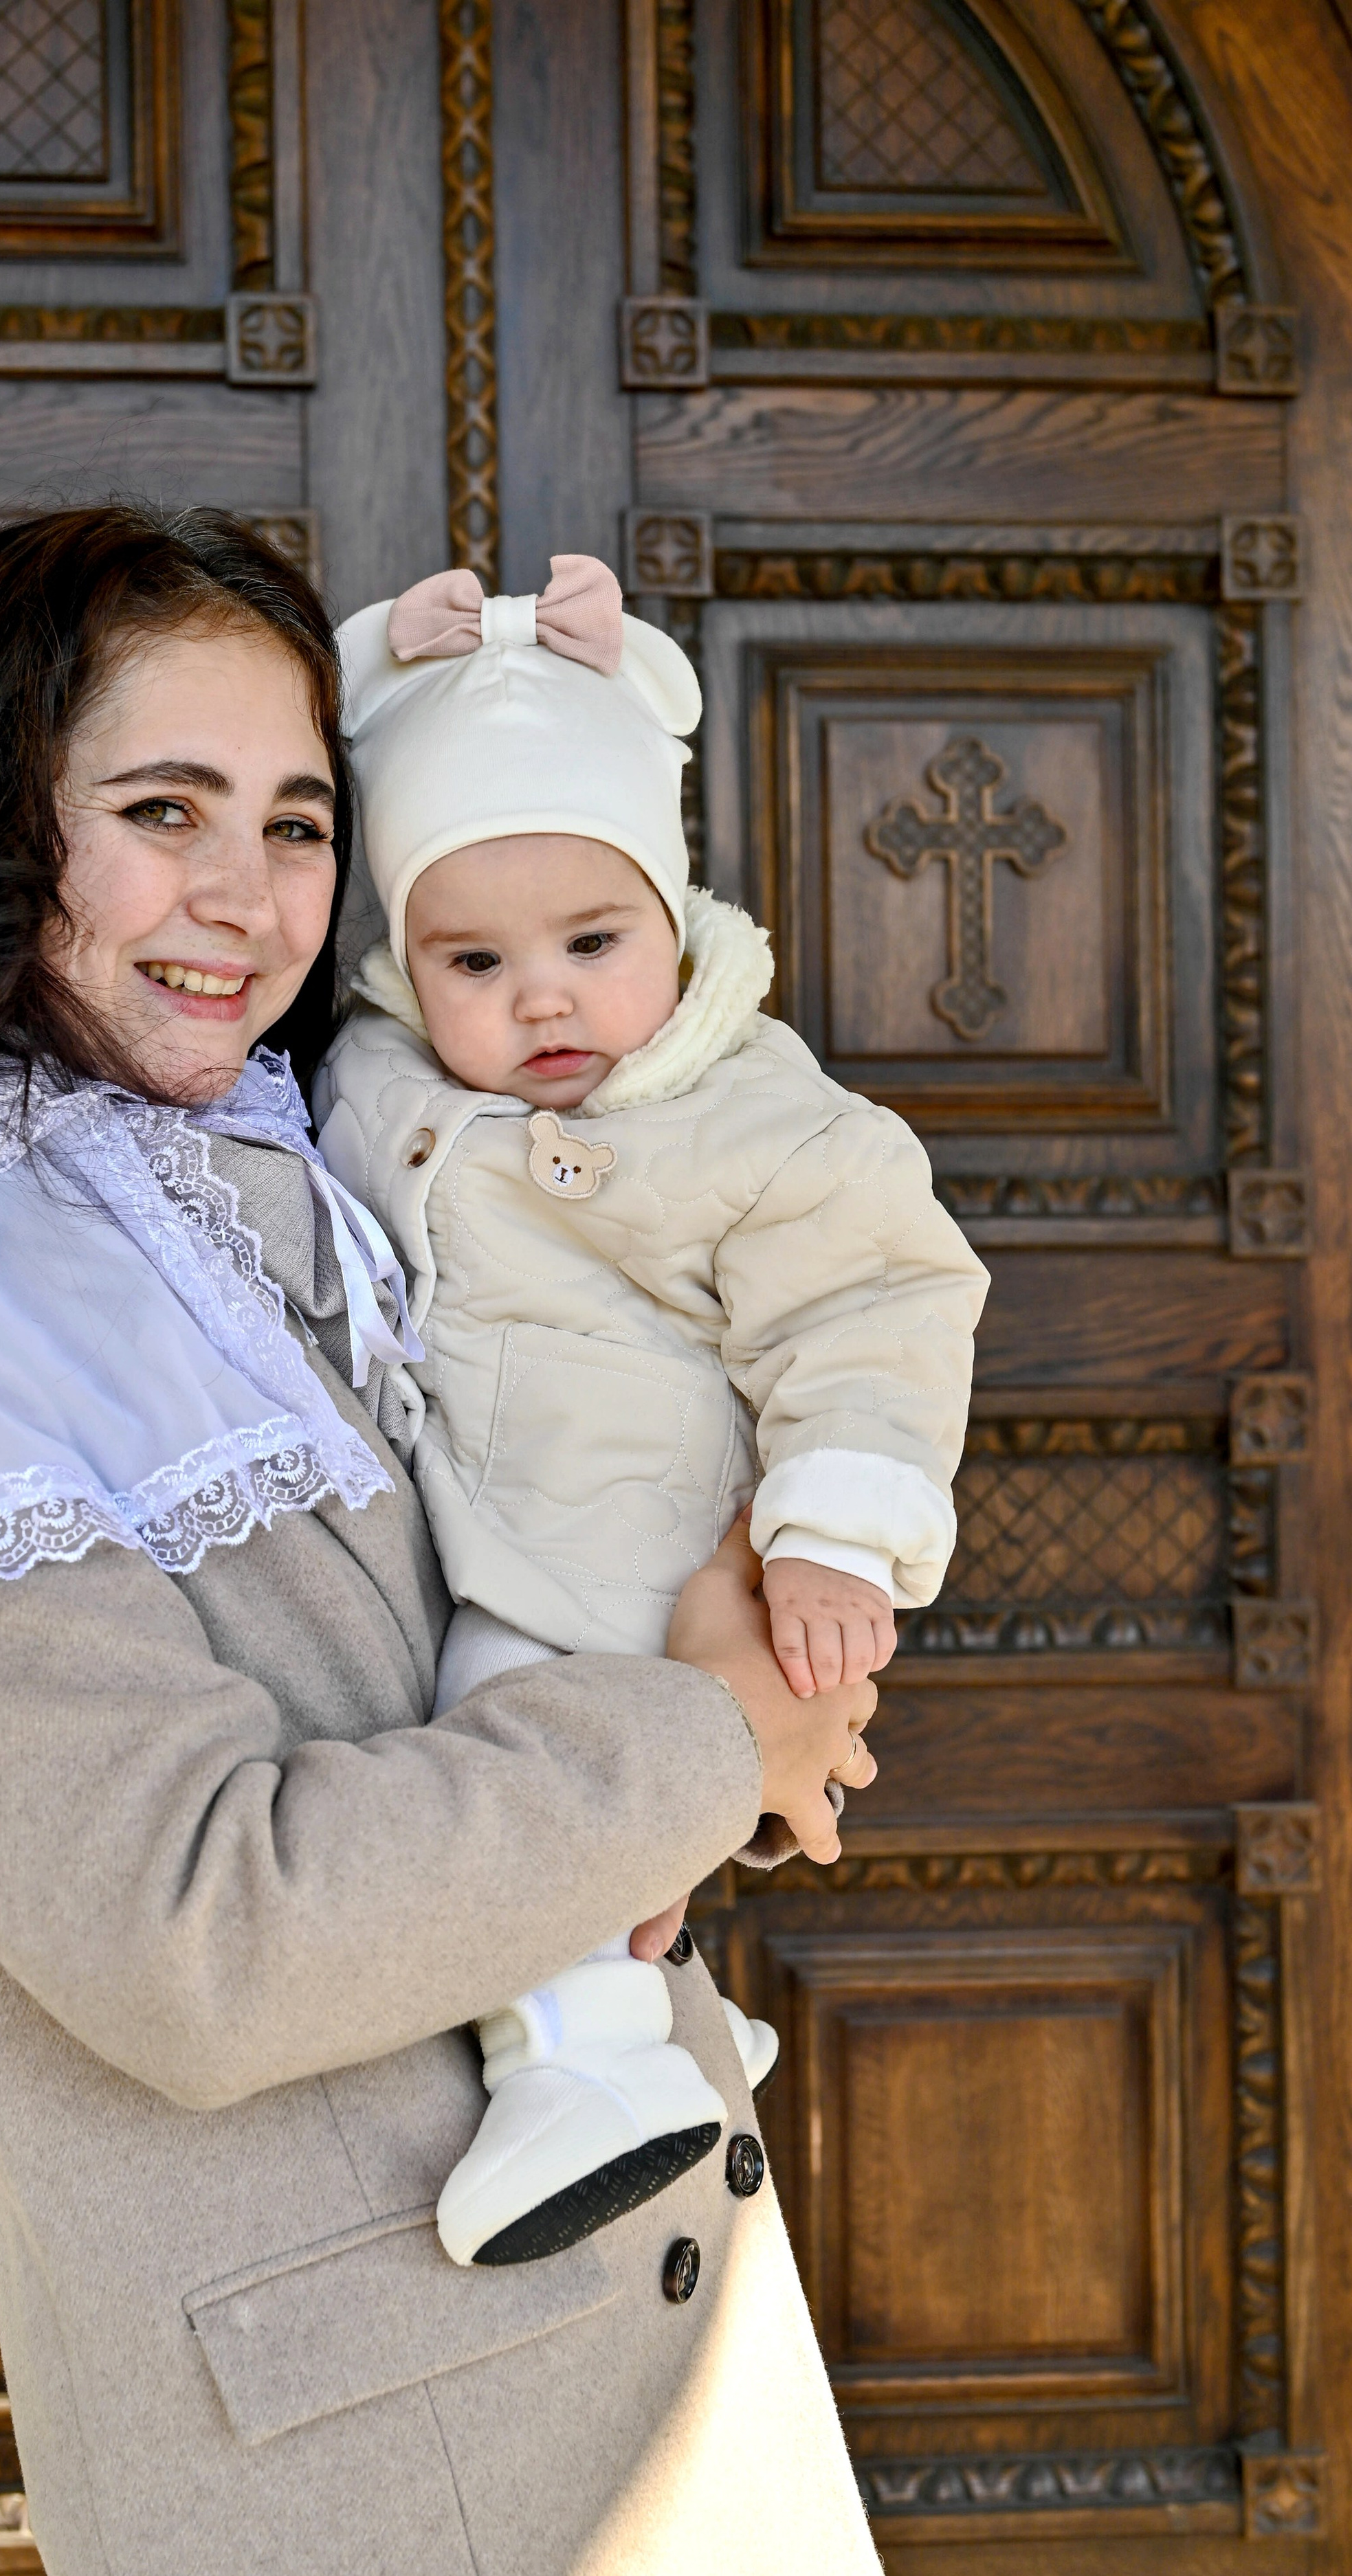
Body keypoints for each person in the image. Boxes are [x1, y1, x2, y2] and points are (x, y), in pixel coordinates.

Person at [0, 508, 898, 2576]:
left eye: (298, 817)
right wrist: (707, 1733)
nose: (247, 897)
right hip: (388, 2483)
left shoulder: (249, 1171)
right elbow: (212, 1936)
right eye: (158, 810)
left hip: (627, 2323)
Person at [315, 555, 988, 2269]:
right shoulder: (376, 1079)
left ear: (672, 924)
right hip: (476, 1536)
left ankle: (584, 2080)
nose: (538, 998)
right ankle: (672, 2026)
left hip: (622, 1554)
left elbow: (872, 1301)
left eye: (591, 943)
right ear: (400, 961)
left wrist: (831, 1536)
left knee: (511, 1786)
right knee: (521, 1798)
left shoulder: (753, 1112)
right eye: (472, 957)